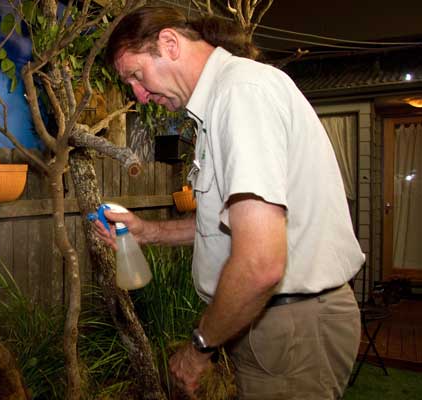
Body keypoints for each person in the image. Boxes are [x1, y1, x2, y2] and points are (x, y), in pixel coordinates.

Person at [95, 5, 365, 399]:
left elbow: (260, 264)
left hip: (290, 328)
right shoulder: (225, 100)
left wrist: (198, 349)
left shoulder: (241, 95)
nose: (139, 95)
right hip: (273, 325)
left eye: (136, 75)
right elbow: (232, 224)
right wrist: (148, 232)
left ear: (169, 43)